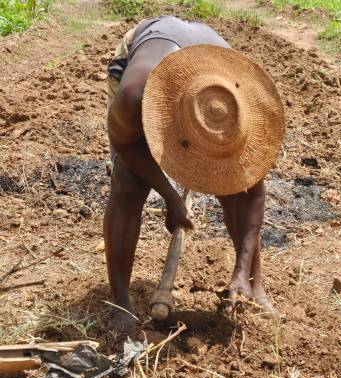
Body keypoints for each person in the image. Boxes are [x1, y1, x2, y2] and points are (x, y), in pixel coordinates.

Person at [105, 16, 285, 333]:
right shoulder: (136, 95)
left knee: (236, 186)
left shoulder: (238, 106)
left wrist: (241, 270)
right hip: (149, 51)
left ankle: (252, 283)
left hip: (210, 52)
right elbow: (125, 143)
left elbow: (253, 193)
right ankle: (119, 300)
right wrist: (171, 196)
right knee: (129, 183)